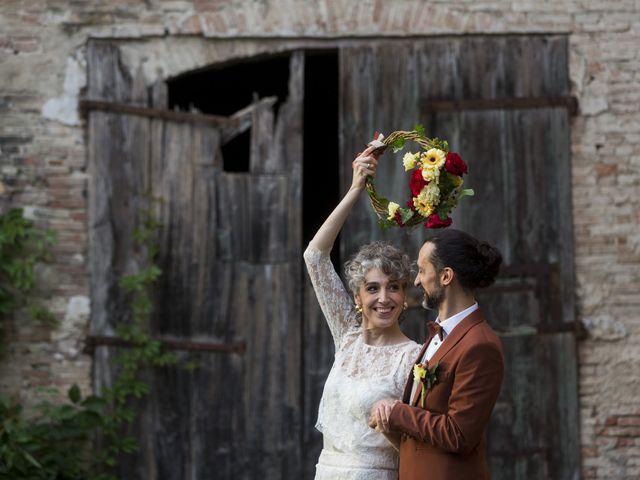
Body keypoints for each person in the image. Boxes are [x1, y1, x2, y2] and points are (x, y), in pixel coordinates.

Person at [304, 144, 422, 480]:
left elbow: (418, 447)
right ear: (357, 296)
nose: (383, 298)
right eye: (373, 288)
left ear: (404, 297)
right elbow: (314, 257)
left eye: (394, 287)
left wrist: (388, 425)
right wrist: (356, 188)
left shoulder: (414, 357)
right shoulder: (348, 337)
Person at [368, 229, 504, 480]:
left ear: (445, 276)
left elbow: (459, 434)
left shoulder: (480, 344)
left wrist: (398, 413)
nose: (417, 281)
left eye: (422, 270)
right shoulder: (438, 334)